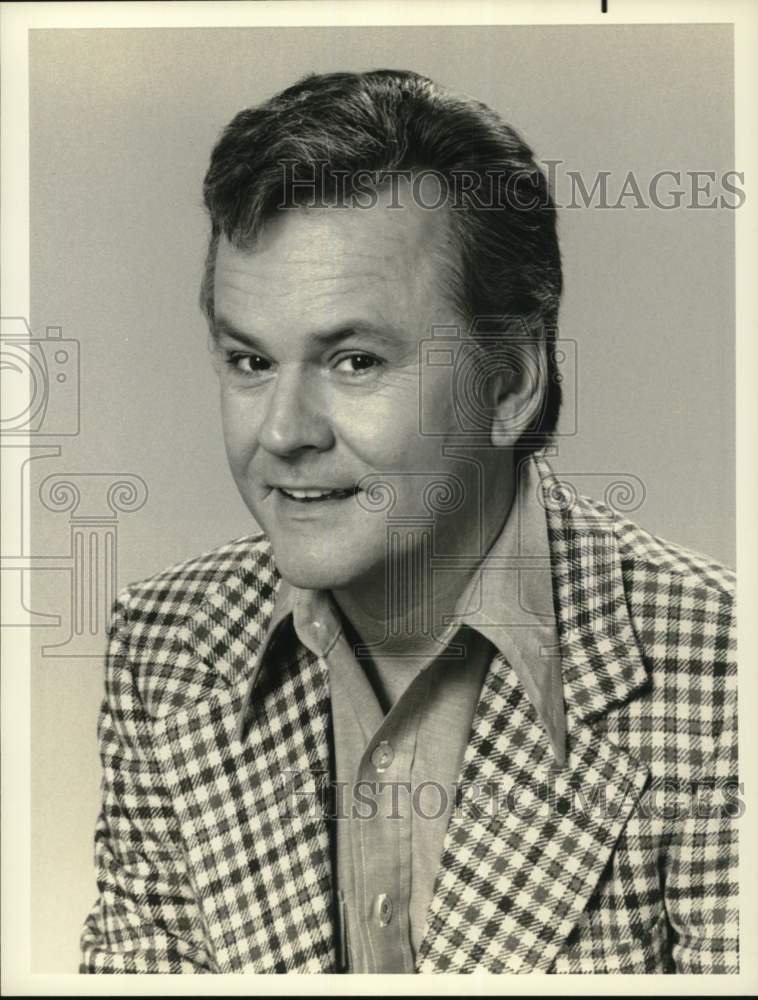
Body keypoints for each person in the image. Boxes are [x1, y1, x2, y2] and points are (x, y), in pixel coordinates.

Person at [80, 69, 738, 974]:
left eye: (354, 361)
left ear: (509, 384)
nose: (283, 433)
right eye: (250, 361)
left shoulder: (726, 682)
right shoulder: (162, 650)